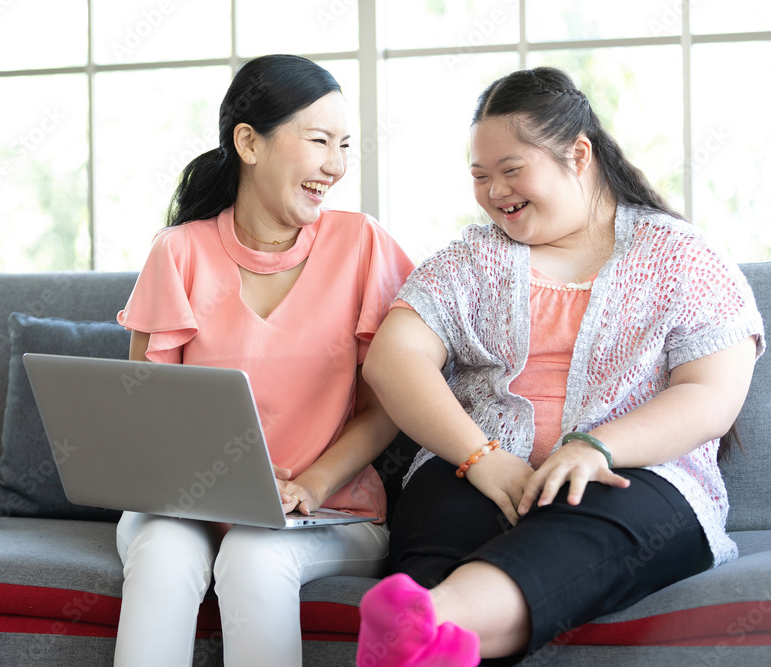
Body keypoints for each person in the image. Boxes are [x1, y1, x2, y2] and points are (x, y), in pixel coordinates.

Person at [355, 66, 765, 666]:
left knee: (588, 528)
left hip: (633, 474)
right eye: (480, 176)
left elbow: (711, 393)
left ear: (578, 155)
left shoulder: (682, 255)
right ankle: (423, 627)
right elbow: (393, 360)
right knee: (443, 526)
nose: (495, 191)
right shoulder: (474, 257)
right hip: (479, 466)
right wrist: (481, 456)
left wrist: (594, 448)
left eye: (511, 170)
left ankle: (425, 623)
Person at [113, 54, 415, 666]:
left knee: (255, 555)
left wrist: (308, 485)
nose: (336, 165)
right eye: (318, 140)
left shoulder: (363, 245)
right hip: (189, 505)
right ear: (249, 142)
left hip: (332, 509)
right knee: (165, 559)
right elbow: (145, 410)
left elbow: (387, 408)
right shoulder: (179, 253)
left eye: (344, 144)